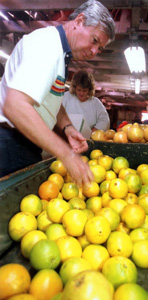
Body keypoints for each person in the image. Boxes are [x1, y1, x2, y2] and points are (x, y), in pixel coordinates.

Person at [0, 0, 115, 184]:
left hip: (23, 144)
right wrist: (65, 154)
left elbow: (49, 99)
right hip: (12, 144)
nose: (94, 51)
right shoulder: (47, 46)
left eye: (99, 48)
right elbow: (15, 106)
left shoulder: (60, 55)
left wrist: (67, 128)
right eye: (94, 40)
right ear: (79, 21)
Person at [62, 70, 110, 138]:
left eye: (84, 91)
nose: (81, 93)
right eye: (79, 90)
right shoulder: (66, 97)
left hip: (87, 139)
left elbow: (105, 121)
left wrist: (92, 133)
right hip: (65, 136)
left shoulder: (96, 103)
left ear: (89, 90)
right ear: (74, 88)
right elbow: (57, 115)